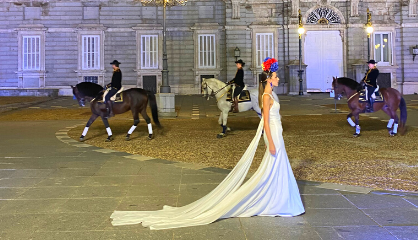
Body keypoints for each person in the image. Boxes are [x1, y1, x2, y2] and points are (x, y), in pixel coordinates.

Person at [110, 66, 304, 229]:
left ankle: (278, 196)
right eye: (276, 77)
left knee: (277, 164)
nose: (278, 79)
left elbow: (266, 118)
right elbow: (266, 123)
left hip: (276, 132)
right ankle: (276, 198)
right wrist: (269, 141)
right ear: (269, 80)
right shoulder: (267, 97)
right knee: (274, 162)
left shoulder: (264, 91)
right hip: (274, 135)